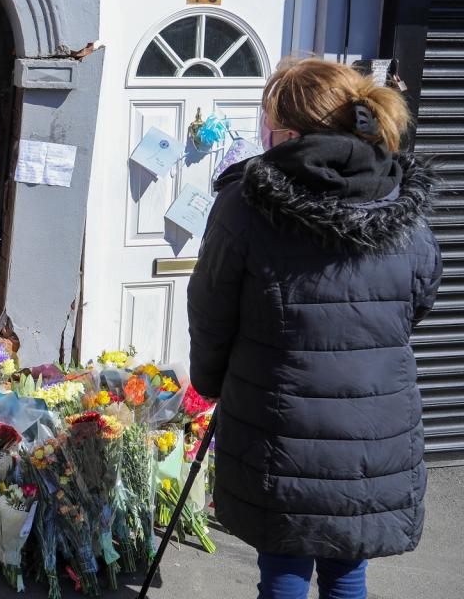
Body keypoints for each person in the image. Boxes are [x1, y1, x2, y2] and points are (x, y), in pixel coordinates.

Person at [187, 57, 442, 599]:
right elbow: (417, 302)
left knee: (282, 567)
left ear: (288, 130)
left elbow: (211, 309)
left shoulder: (246, 202)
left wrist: (210, 382)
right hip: (377, 418)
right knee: (348, 569)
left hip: (278, 413)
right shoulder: (404, 204)